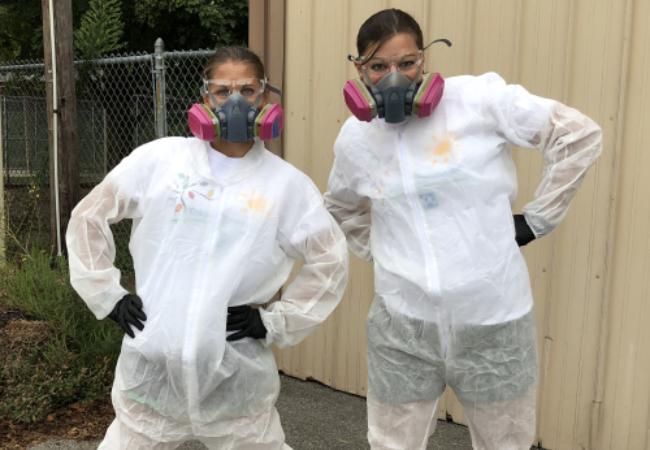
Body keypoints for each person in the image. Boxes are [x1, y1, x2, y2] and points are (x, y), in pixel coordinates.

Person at [324, 9, 602, 450]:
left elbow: (577, 135)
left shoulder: (477, 101)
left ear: (425, 60)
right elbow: (342, 204)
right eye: (379, 66)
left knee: (504, 444)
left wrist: (537, 219)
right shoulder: (356, 138)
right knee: (391, 444)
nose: (394, 77)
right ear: (359, 70)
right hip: (403, 326)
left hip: (494, 319)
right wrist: (384, 250)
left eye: (407, 62)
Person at [66, 46, 349, 450]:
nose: (235, 101)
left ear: (265, 98)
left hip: (236, 380)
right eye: (222, 91)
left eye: (248, 91)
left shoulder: (285, 185)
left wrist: (275, 320)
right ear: (204, 99)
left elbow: (331, 260)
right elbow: (89, 215)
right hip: (152, 372)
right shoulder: (162, 160)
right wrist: (106, 295)